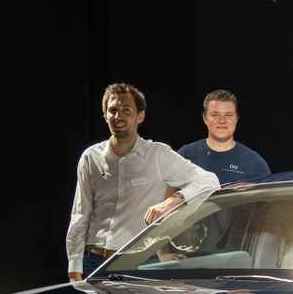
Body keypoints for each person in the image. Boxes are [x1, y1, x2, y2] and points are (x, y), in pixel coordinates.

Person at [66, 83, 220, 282]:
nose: (118, 116)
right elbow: (80, 215)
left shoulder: (158, 155)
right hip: (92, 263)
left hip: (135, 265)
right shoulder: (90, 157)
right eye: (113, 110)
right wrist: (74, 270)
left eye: (126, 110)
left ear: (140, 116)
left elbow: (210, 181)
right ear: (105, 116)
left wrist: (173, 201)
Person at [177, 89, 271, 184]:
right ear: (205, 118)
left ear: (236, 119)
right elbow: (169, 191)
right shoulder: (185, 155)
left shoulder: (255, 163)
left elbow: (268, 193)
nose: (222, 120)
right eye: (215, 115)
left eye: (228, 115)